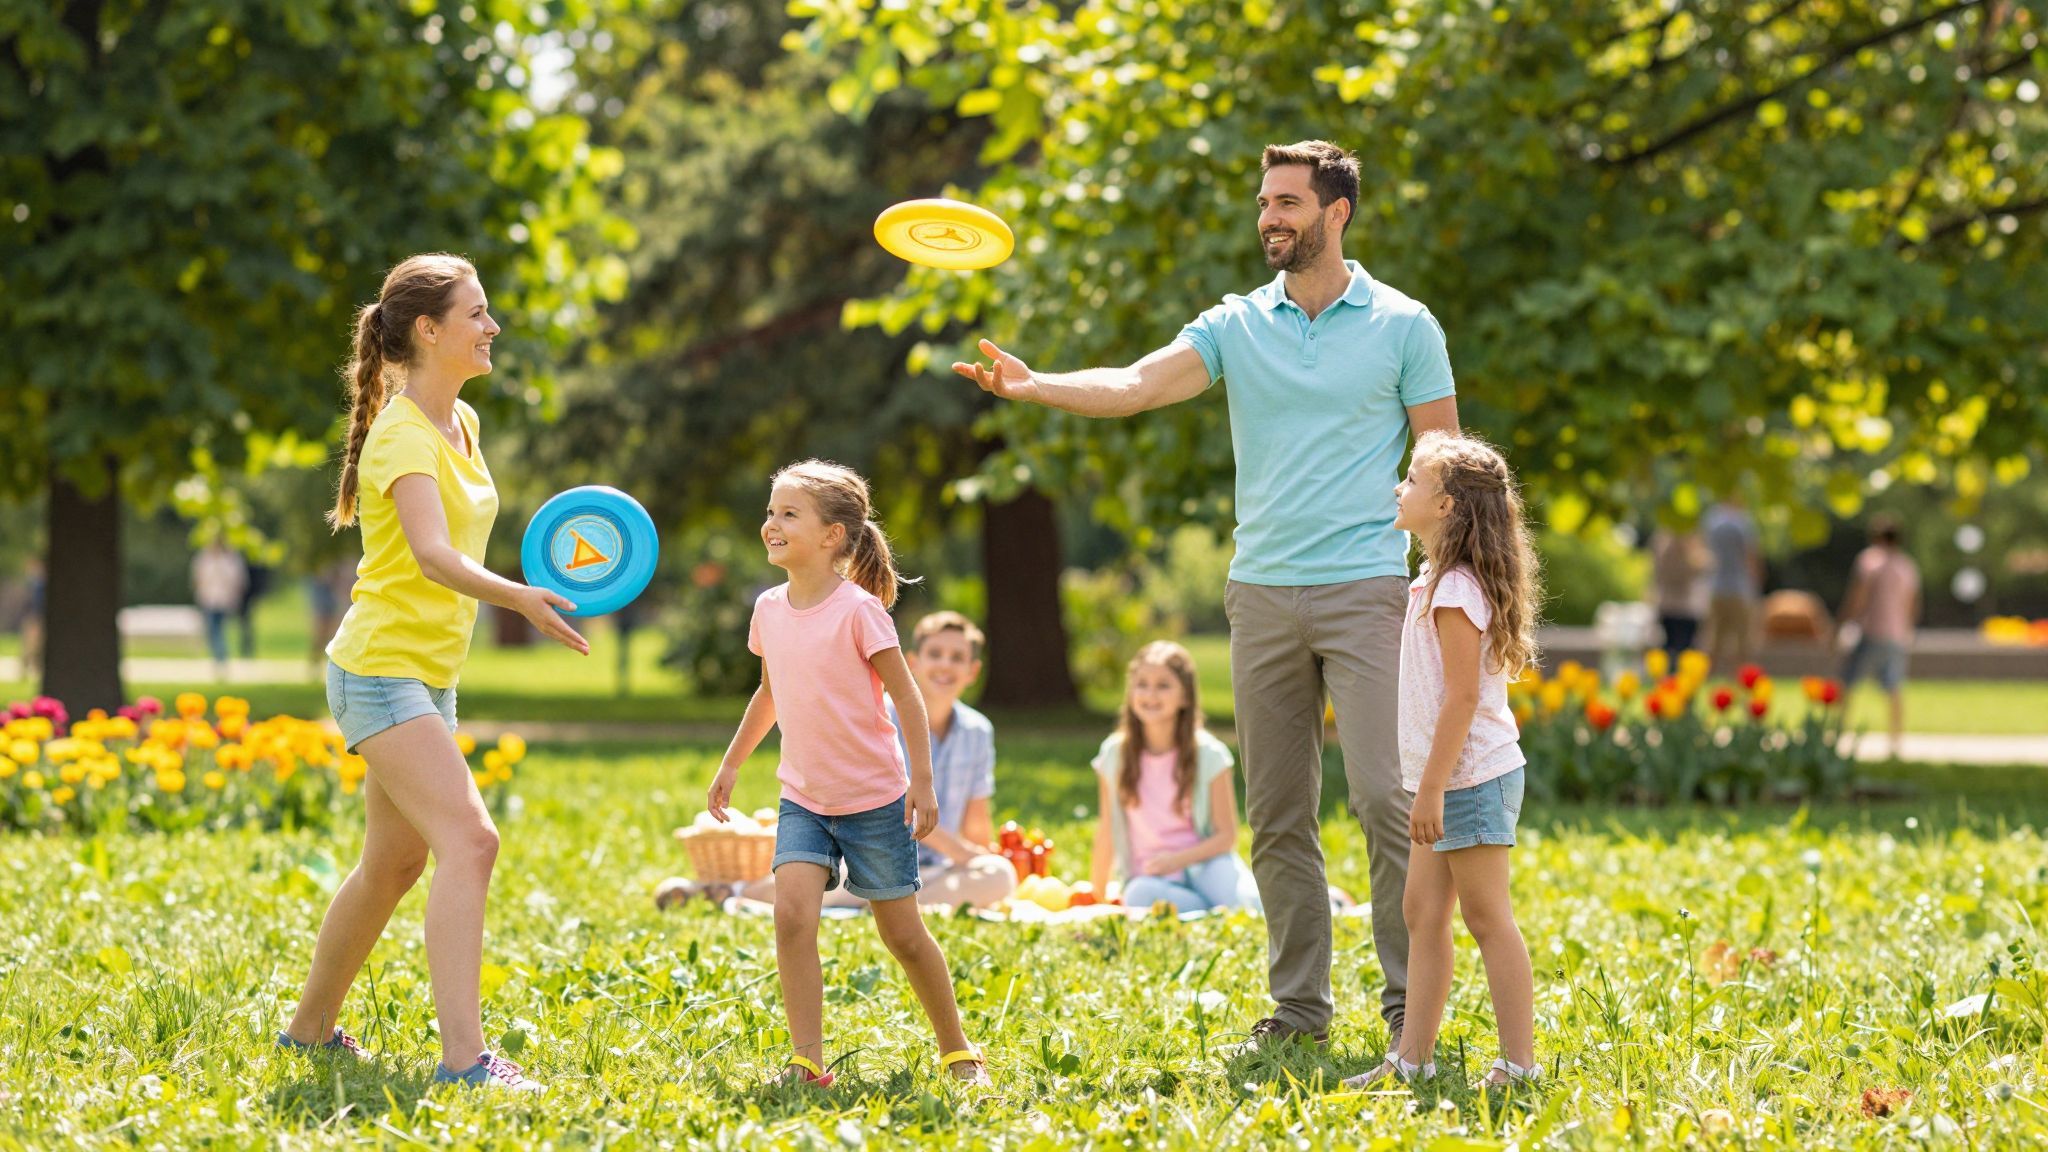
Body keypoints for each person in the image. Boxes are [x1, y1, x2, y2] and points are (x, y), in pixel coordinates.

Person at [954, 140, 1458, 1053]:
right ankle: (1301, 1010)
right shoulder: (1236, 323)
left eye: (1289, 203)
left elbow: (1444, 462)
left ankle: (1405, 1007)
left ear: (1336, 212)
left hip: (1367, 587)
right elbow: (1140, 384)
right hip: (1262, 590)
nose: (1271, 217)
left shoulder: (1404, 325)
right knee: (1274, 813)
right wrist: (1038, 387)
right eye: (1265, 201)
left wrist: (1444, 582)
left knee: (1388, 800)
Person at [277, 253, 589, 1093]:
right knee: (472, 842)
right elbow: (432, 554)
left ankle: (307, 1032)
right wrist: (519, 600)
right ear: (429, 329)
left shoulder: (463, 424)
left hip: (424, 672)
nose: (492, 328)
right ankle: (465, 1060)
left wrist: (549, 574)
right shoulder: (402, 433)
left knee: (393, 866)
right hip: (380, 669)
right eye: (477, 313)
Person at [704, 460, 989, 1088]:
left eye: (787, 514)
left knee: (903, 934)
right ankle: (808, 1061)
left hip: (873, 802)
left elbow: (909, 698)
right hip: (803, 798)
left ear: (833, 535)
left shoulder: (859, 611)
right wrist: (730, 766)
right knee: (792, 915)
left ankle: (958, 1049)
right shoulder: (769, 609)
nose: (769, 524)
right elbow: (769, 695)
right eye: (770, 511)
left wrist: (923, 783)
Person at [1344, 431, 1541, 1090]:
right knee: (1422, 912)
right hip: (1445, 778)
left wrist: (1428, 791)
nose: (1398, 490)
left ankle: (1519, 1066)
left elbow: (1461, 699)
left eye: (1411, 481)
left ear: (1448, 505)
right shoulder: (1434, 579)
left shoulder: (1457, 591)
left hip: (1470, 777)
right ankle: (1413, 1059)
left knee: (1487, 917)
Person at [661, 610, 1017, 911]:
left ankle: (892, 903)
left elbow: (976, 818)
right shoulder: (881, 717)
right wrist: (963, 853)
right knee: (833, 882)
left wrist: (980, 856)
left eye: (957, 658)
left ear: (972, 671)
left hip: (937, 869)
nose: (945, 664)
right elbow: (896, 809)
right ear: (913, 664)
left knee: (999, 875)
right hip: (868, 855)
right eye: (936, 653)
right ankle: (733, 893)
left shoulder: (977, 731)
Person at [1088, 641, 1260, 915]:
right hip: (1151, 877)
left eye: (1163, 685)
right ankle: (1209, 911)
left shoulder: (1209, 755)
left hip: (1207, 866)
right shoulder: (1114, 755)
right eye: (1141, 684)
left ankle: (1329, 900)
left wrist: (1177, 860)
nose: (1150, 694)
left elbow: (1226, 836)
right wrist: (1094, 899)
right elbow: (1106, 829)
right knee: (1138, 895)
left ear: (1185, 697)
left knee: (1244, 907)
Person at [1836, 516, 1921, 759]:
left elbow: (1857, 597)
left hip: (1871, 631)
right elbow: (1912, 603)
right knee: (1894, 688)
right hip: (1897, 634)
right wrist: (1908, 630)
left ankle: (1837, 734)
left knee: (1848, 684)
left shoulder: (1869, 561)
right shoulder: (1907, 566)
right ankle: (1895, 742)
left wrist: (1843, 622)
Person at [1702, 494, 1763, 676]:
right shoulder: (1743, 522)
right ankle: (1743, 683)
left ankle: (1700, 684)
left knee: (1713, 642)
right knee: (1743, 642)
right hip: (1739, 588)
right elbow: (1752, 557)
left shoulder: (1710, 520)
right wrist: (1757, 586)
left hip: (1715, 587)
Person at [1648, 526, 1707, 664]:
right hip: (1683, 605)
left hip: (1668, 604)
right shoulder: (1683, 548)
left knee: (1671, 647)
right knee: (1682, 651)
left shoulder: (1661, 543)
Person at [191, 539, 248, 681]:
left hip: (224, 600)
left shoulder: (230, 559)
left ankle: (221, 658)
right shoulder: (204, 558)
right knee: (213, 630)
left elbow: (238, 580)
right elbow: (198, 578)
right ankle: (219, 657)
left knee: (217, 629)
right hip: (209, 599)